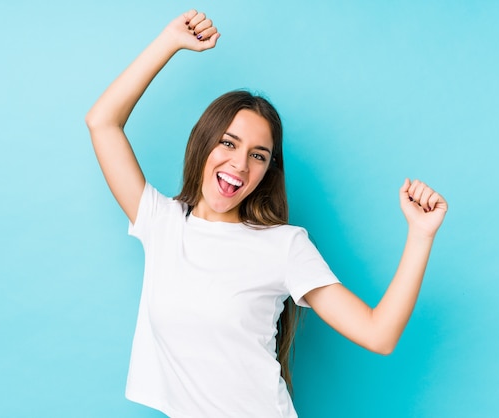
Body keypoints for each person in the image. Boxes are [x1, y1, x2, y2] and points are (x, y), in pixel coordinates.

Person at [85, 9, 448, 418]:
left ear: (266, 171)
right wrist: (169, 41)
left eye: (258, 155)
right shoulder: (162, 222)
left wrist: (421, 234)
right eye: (228, 143)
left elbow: (379, 335)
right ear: (203, 144)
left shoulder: (284, 246)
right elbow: (102, 122)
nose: (240, 164)